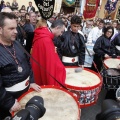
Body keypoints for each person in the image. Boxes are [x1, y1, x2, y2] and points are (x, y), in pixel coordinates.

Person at [0, 12, 41, 119]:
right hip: (9, 101)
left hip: (26, 93)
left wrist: (31, 81)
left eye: (16, 27)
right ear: (0, 30)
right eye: (11, 28)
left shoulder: (17, 44)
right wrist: (9, 103)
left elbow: (28, 63)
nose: (16, 31)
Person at [31, 19, 66, 86]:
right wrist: (61, 69)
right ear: (57, 28)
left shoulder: (42, 34)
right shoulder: (46, 40)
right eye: (61, 31)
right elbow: (51, 64)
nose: (61, 34)